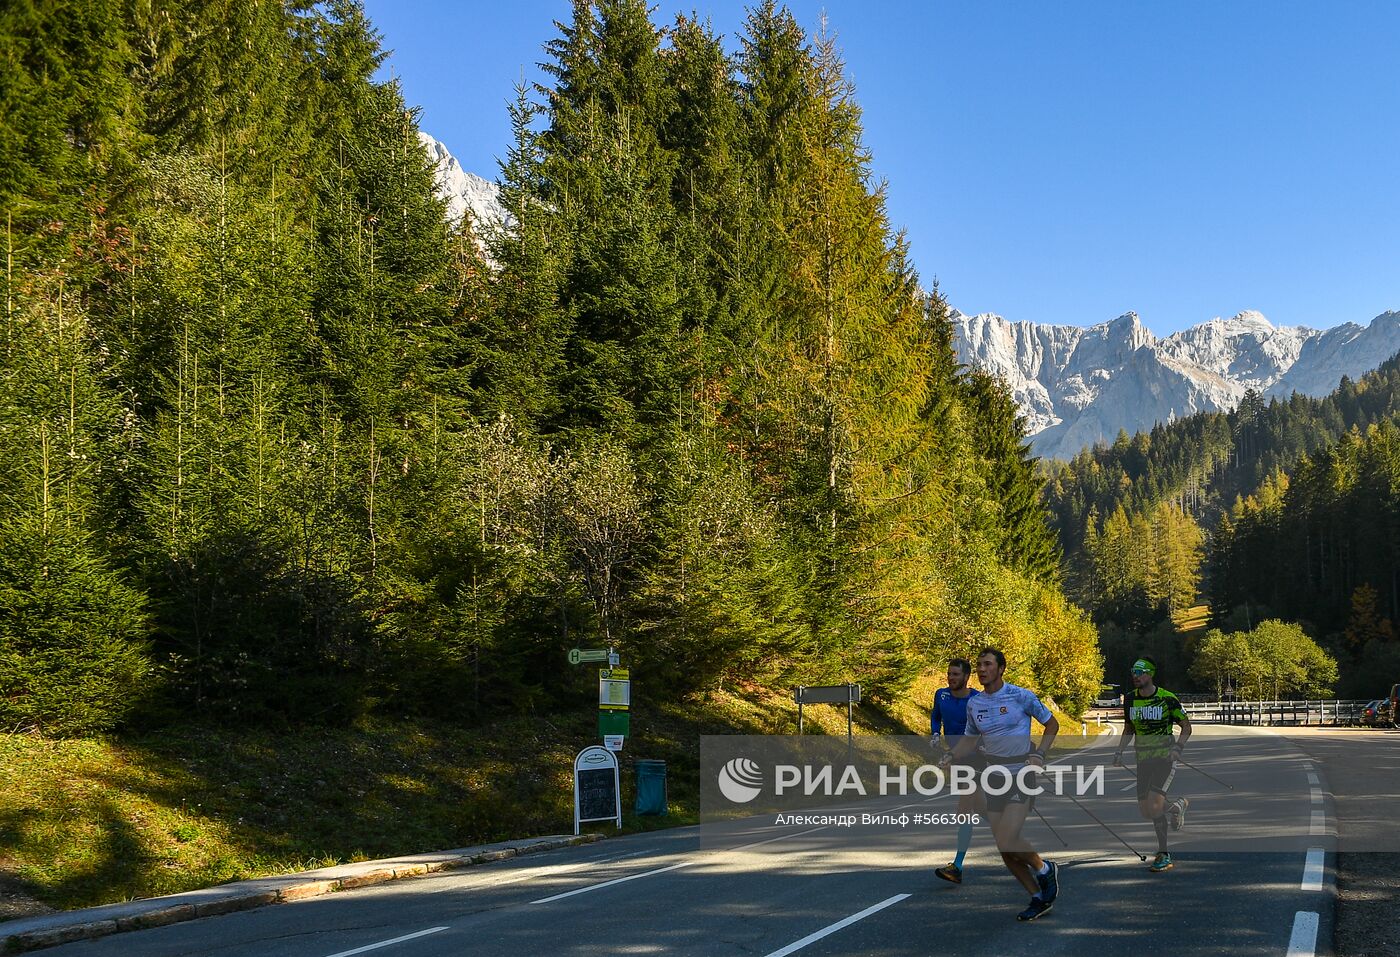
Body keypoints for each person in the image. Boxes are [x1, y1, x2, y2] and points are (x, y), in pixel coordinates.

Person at [942, 648, 1061, 921]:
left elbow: (1051, 724)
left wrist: (1040, 753)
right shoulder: (975, 703)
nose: (982, 670)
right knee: (1004, 848)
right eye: (979, 665)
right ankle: (1037, 898)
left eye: (987, 664)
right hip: (993, 777)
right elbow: (971, 738)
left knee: (1008, 837)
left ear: (1001, 668)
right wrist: (951, 755)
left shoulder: (1021, 696)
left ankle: (1044, 869)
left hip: (1021, 773)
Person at [1112, 656, 1192, 873]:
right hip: (1143, 760)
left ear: (1151, 674)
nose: (1135, 676)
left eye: (1140, 672)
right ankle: (1176, 807)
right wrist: (1119, 751)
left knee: (1155, 807)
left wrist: (1178, 749)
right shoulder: (1130, 699)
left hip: (1164, 759)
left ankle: (1163, 853)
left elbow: (1186, 727)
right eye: (1133, 672)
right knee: (1146, 810)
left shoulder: (1167, 699)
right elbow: (1129, 728)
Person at [930, 658, 984, 884]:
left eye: (955, 675)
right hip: (958, 758)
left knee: (964, 807)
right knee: (979, 807)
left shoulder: (977, 699)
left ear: (966, 677)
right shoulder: (941, 695)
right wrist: (935, 733)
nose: (950, 678)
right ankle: (1017, 845)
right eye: (949, 674)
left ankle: (958, 865)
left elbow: (988, 723)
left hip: (977, 759)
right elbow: (936, 716)